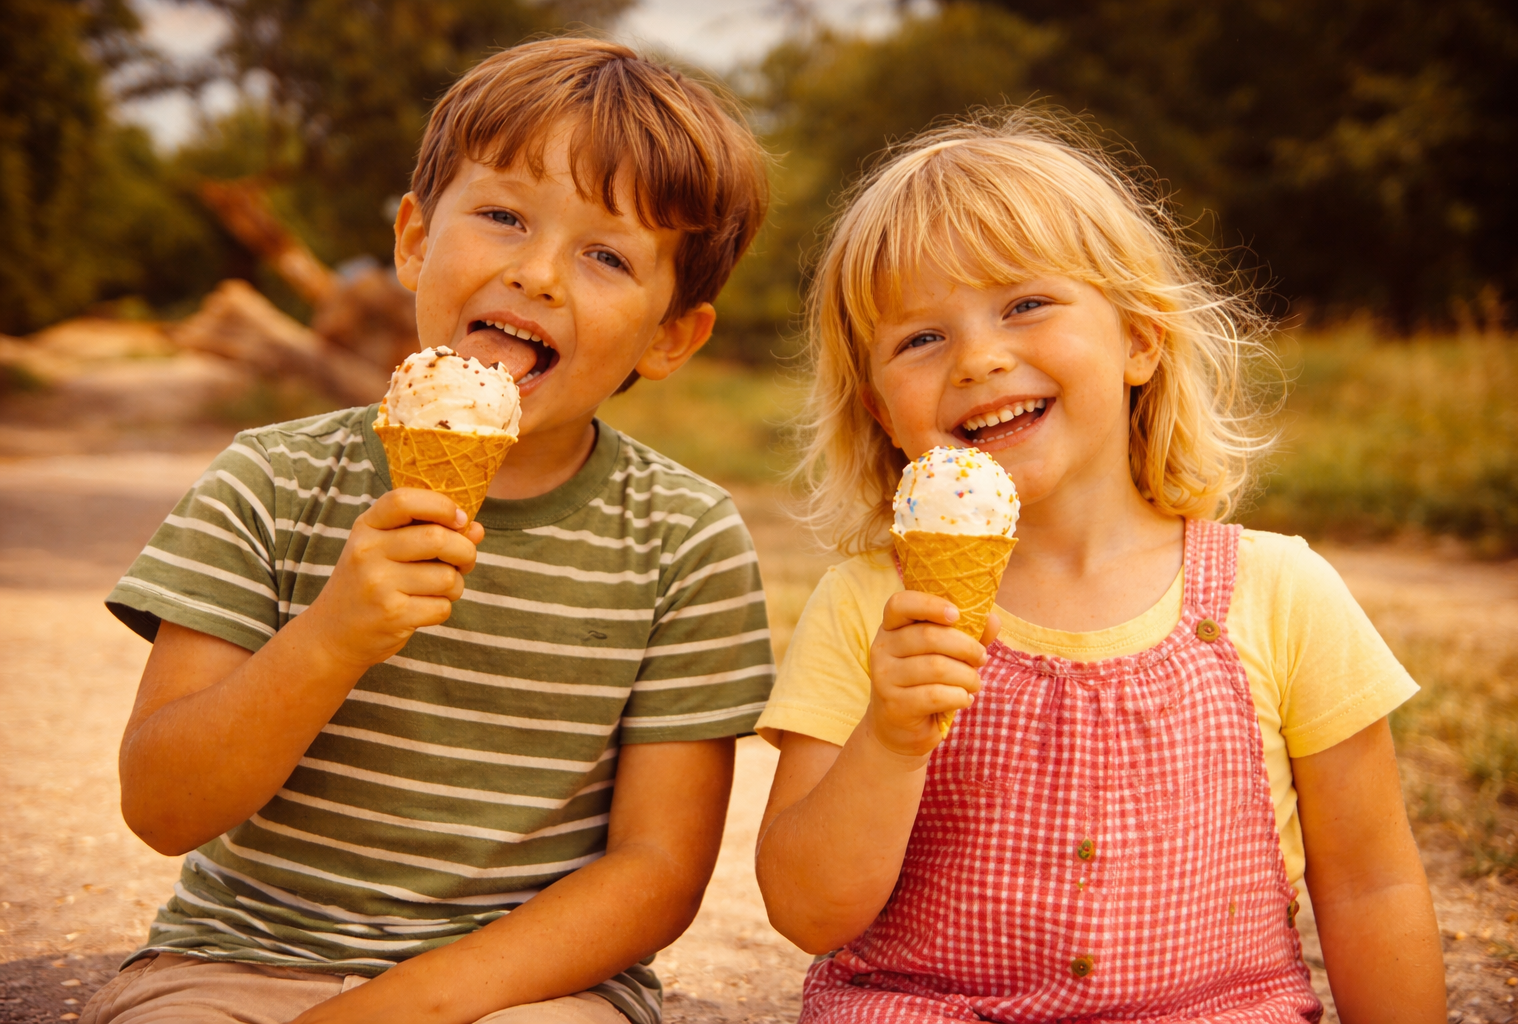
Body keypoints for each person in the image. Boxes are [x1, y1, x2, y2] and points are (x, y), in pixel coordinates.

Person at [85, 38, 773, 1024]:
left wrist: (394, 1011)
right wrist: (334, 637)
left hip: (530, 989)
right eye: (503, 216)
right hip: (241, 961)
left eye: (607, 255)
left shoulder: (684, 540)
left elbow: (657, 871)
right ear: (413, 240)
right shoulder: (271, 482)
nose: (537, 274)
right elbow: (162, 806)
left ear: (671, 336)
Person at [753, 109, 1446, 1023]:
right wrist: (889, 739)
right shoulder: (870, 606)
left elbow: (1370, 886)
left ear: (1140, 340)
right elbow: (805, 912)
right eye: (921, 339)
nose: (980, 360)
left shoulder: (1282, 594)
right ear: (882, 410)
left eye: (1025, 305)